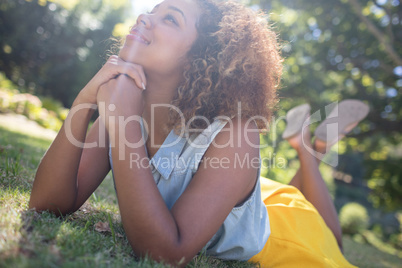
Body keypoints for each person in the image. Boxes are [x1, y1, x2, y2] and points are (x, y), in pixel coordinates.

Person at [29, 0, 368, 266]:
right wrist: (85, 101)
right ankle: (309, 146)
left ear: (202, 56)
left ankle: (309, 150)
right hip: (233, 191)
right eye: (152, 10)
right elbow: (47, 204)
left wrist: (124, 124)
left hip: (284, 237)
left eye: (170, 18)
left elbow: (166, 253)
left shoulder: (236, 133)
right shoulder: (126, 102)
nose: (145, 18)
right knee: (278, 198)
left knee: (332, 243)